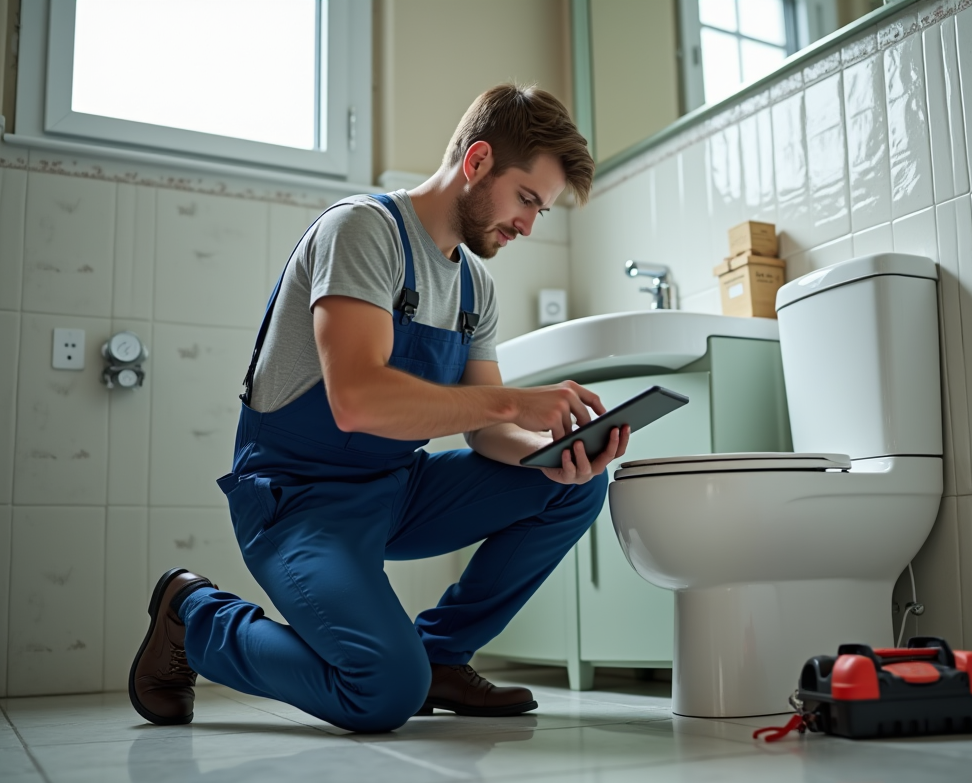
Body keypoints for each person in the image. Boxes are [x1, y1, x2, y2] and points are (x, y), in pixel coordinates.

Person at [128, 84, 630, 733]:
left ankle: (441, 656)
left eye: (542, 210)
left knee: (574, 487)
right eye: (527, 199)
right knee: (383, 691)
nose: (529, 225)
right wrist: (515, 400)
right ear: (478, 162)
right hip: (298, 502)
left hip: (395, 488)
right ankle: (194, 618)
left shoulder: (475, 286)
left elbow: (486, 432)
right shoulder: (363, 230)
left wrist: (554, 454)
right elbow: (357, 400)